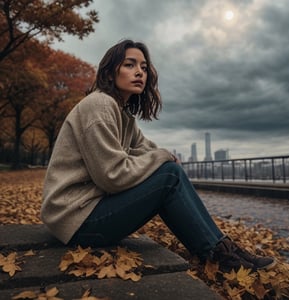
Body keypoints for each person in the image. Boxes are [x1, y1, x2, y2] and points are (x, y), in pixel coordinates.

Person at [41, 39, 276, 272]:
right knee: (169, 176)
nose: (139, 73)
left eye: (143, 67)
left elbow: (145, 148)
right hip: (76, 220)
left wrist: (164, 156)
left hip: (86, 214)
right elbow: (111, 176)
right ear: (110, 72)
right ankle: (219, 255)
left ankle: (222, 249)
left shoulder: (123, 115)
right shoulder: (99, 105)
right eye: (130, 65)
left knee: (169, 173)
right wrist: (164, 158)